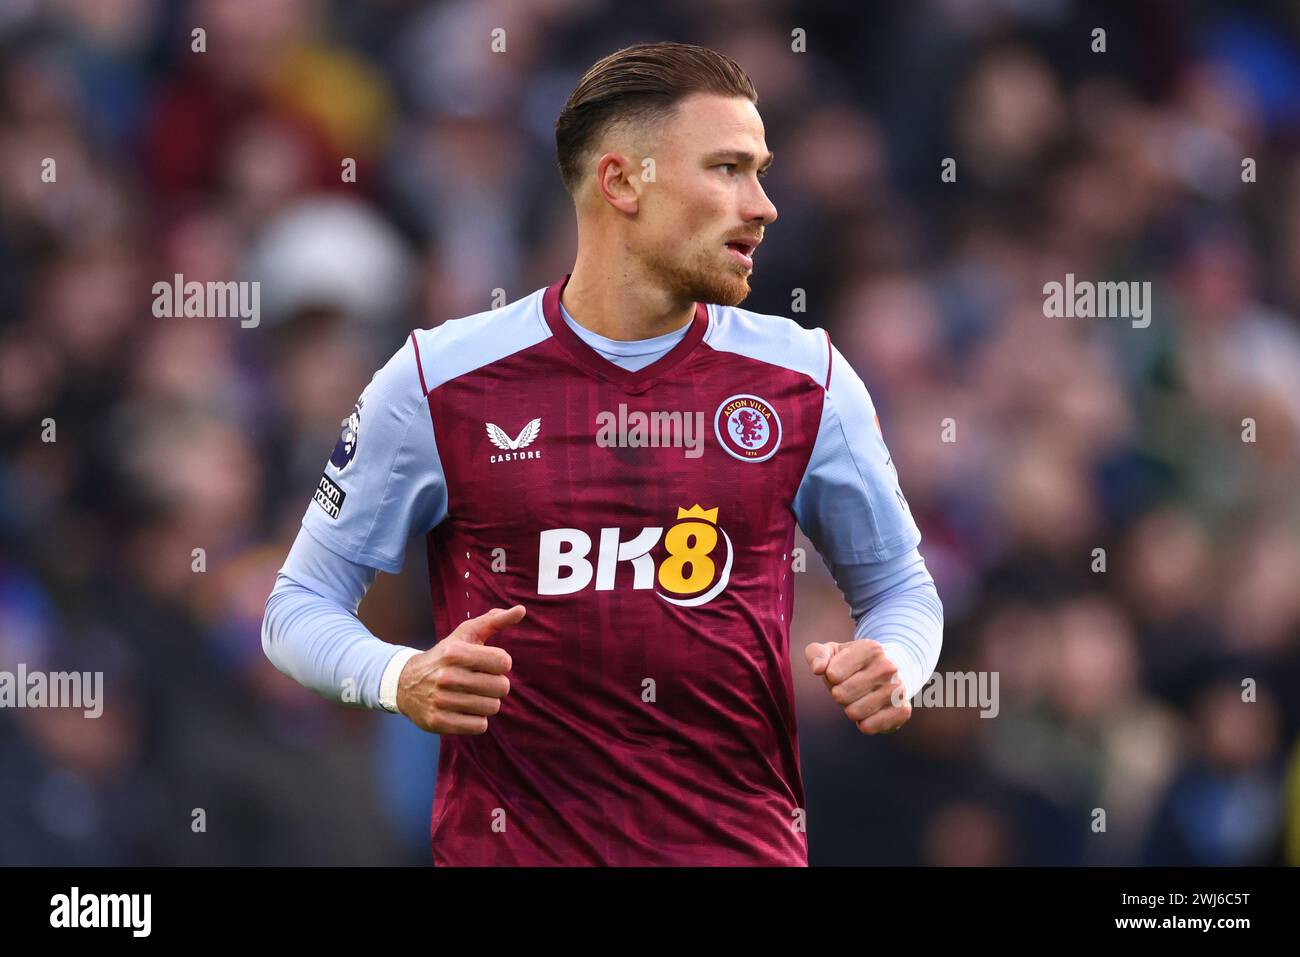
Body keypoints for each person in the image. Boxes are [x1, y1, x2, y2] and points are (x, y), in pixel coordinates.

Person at [262, 41, 943, 865]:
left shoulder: (806, 378)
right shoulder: (438, 380)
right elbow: (295, 608)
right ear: (622, 183)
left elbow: (903, 588)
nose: (763, 205)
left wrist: (896, 658)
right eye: (728, 169)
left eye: (760, 171)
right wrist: (396, 676)